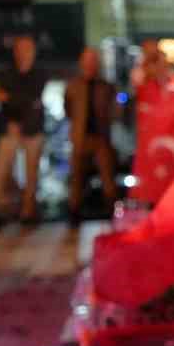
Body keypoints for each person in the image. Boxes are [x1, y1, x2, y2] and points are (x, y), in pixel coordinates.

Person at [0, 35, 49, 225]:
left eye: (28, 49)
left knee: (32, 173)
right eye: (21, 49)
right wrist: (24, 102)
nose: (25, 53)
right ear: (15, 51)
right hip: (9, 129)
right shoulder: (5, 74)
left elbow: (32, 99)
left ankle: (28, 211)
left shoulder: (40, 75)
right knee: (2, 171)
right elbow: (2, 97)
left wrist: (12, 98)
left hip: (33, 129)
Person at [64, 47, 118, 225]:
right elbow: (68, 110)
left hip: (101, 138)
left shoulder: (106, 86)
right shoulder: (73, 86)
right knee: (77, 179)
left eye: (93, 60)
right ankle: (74, 213)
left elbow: (113, 110)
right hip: (80, 137)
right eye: (87, 60)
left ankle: (112, 211)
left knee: (108, 178)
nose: (90, 64)